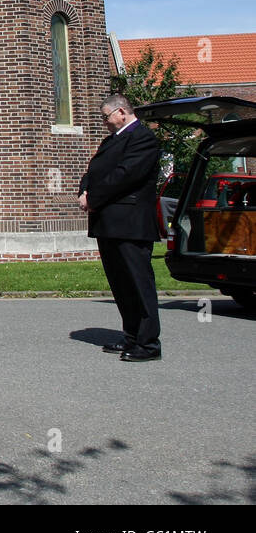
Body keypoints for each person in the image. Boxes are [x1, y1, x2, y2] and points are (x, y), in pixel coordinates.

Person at [79, 94, 162, 362]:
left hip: (131, 223)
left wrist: (94, 196)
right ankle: (132, 335)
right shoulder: (110, 141)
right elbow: (95, 170)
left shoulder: (143, 139)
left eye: (106, 116)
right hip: (109, 223)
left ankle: (148, 343)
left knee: (138, 283)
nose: (104, 121)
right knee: (121, 284)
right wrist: (84, 189)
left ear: (122, 112)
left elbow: (125, 175)